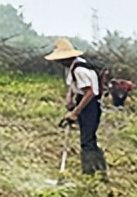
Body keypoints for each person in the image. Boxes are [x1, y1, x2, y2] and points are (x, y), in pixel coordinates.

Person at [45, 38, 107, 178]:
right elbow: (74, 86)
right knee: (89, 139)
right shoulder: (72, 67)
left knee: (87, 141)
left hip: (90, 104)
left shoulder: (80, 69)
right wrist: (70, 98)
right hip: (83, 100)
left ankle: (91, 173)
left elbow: (90, 92)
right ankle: (99, 171)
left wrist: (75, 112)